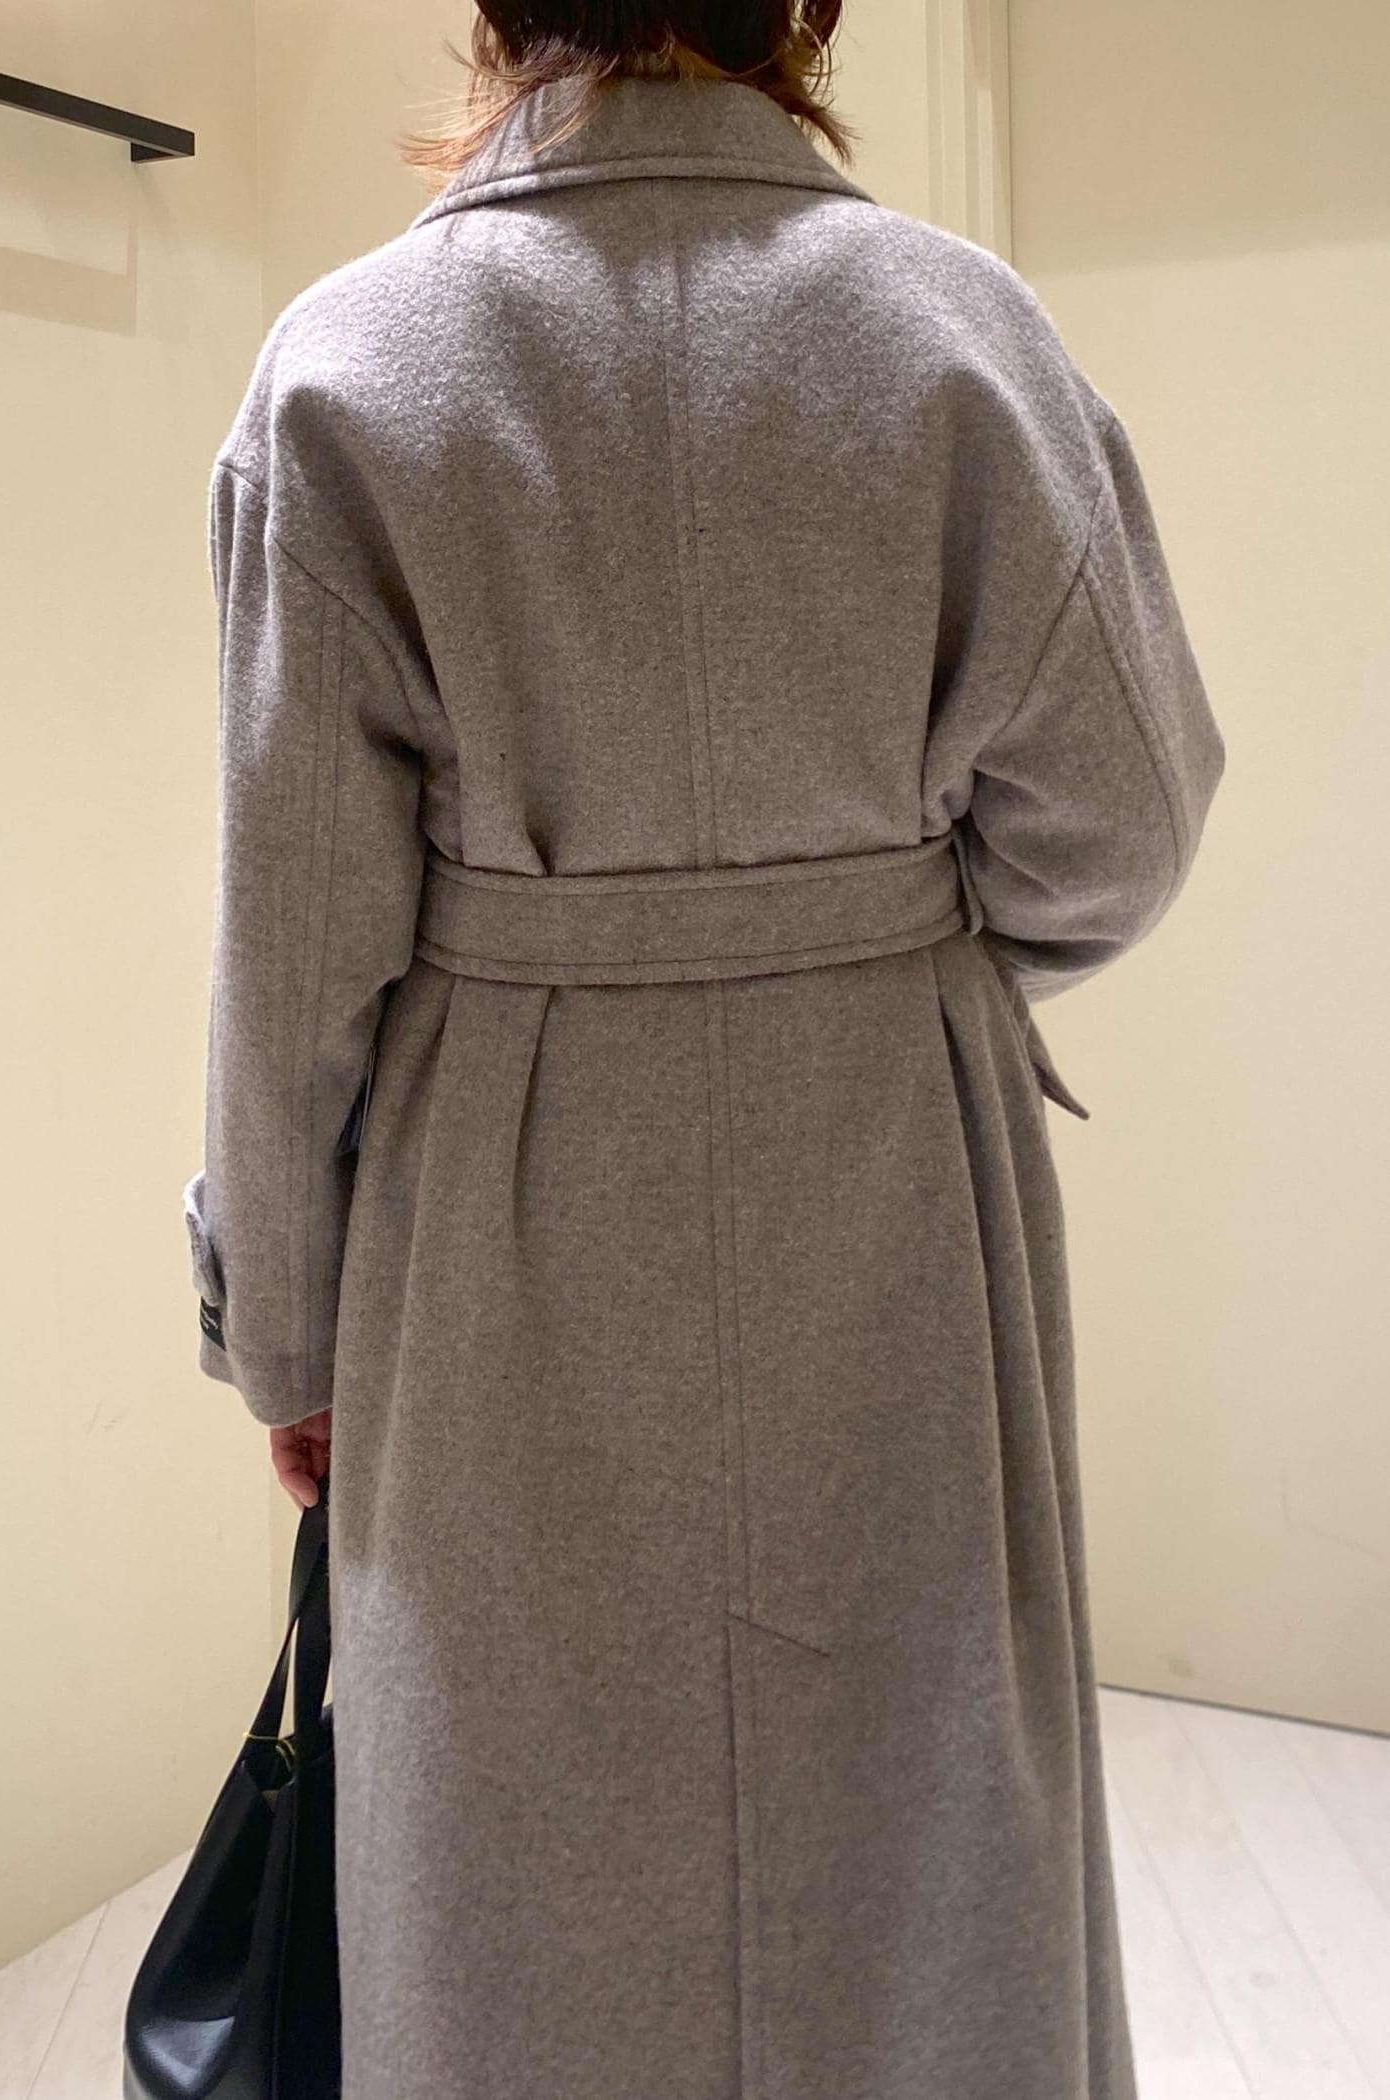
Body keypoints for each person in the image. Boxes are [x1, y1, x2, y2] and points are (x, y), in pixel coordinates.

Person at [180, 5, 1225, 2096]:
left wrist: (284, 1330)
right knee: (923, 1853)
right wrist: (888, 957)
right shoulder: (965, 341)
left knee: (512, 1895)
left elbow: (297, 961)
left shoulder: (349, 374)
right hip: (894, 1189)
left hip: (500, 1239)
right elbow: (1126, 817)